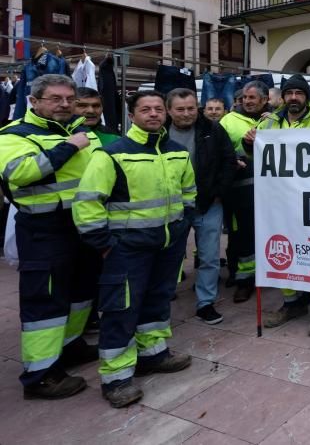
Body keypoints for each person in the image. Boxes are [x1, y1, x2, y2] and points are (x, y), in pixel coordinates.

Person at [73, 90, 194, 408]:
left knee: (156, 302)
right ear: (132, 115)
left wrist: (181, 229)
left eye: (158, 109)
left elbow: (189, 192)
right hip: (126, 250)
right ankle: (116, 378)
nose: (153, 114)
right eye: (145, 110)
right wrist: (104, 245)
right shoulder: (113, 154)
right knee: (121, 310)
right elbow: (87, 203)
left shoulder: (177, 152)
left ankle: (153, 355)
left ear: (165, 114)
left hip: (166, 246)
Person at [0, 74, 99, 400]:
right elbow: (22, 173)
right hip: (44, 230)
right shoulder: (13, 135)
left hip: (83, 228)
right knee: (45, 303)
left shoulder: (83, 132)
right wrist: (69, 147)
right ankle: (40, 376)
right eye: (55, 99)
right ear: (34, 101)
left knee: (80, 294)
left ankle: (69, 347)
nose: (65, 105)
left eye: (69, 99)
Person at [253, 76, 310, 335]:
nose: (293, 97)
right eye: (289, 93)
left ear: (306, 96)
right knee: (282, 249)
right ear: (282, 97)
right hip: (278, 202)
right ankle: (293, 303)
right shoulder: (268, 122)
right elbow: (257, 156)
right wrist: (250, 144)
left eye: (298, 93)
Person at [164, 88, 237, 325]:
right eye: (180, 109)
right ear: (169, 110)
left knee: (209, 256)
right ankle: (161, 302)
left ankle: (206, 302)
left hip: (207, 203)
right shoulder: (159, 132)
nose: (187, 114)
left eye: (191, 108)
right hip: (171, 206)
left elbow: (228, 161)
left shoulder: (213, 129)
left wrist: (219, 192)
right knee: (170, 256)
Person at [219, 81, 269, 302]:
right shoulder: (228, 121)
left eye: (252, 98)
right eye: (245, 98)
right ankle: (244, 280)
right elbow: (220, 152)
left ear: (265, 100)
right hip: (240, 192)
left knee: (268, 235)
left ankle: (269, 273)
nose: (247, 102)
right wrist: (234, 160)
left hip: (272, 193)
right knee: (242, 238)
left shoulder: (274, 121)